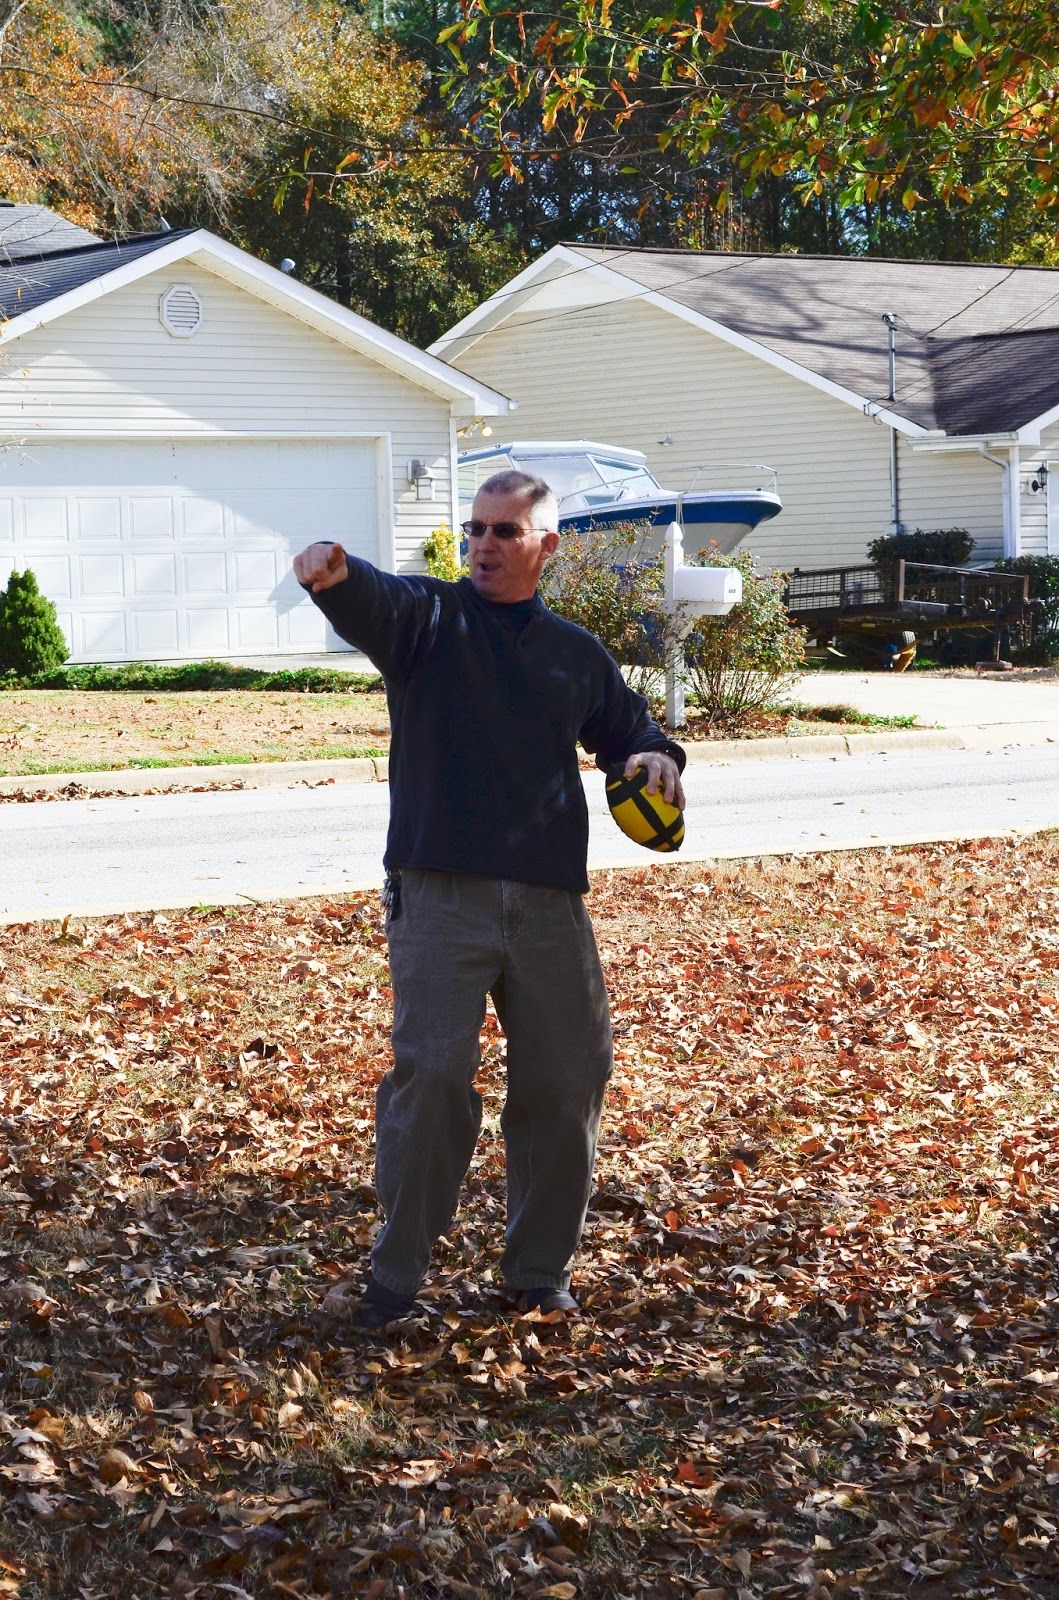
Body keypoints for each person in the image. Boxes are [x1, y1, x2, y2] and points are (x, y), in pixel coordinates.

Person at [293, 469, 685, 1329]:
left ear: (546, 545)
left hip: (548, 901)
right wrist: (331, 569)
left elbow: (629, 729)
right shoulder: (428, 621)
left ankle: (537, 1274)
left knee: (567, 1079)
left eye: (505, 531)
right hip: (438, 892)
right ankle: (393, 1281)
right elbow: (372, 597)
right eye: (475, 529)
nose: (483, 544)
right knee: (433, 1078)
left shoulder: (573, 651)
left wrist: (655, 757)